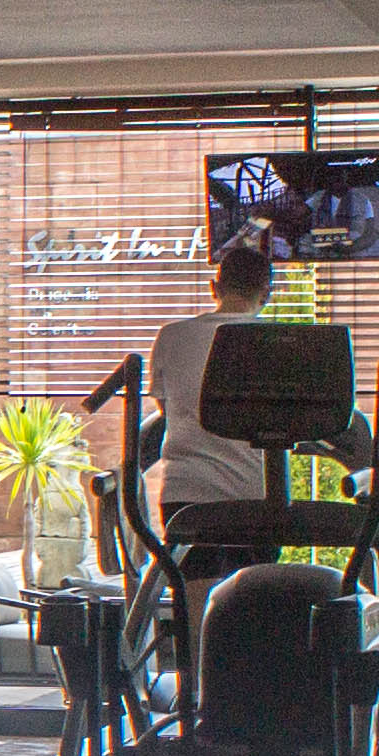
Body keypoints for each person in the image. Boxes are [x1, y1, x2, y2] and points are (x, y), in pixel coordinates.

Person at [150, 241, 280, 605]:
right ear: (267, 293)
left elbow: (167, 411)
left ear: (214, 288)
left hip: (186, 494)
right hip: (256, 498)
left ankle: (194, 645)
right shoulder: (279, 341)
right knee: (254, 599)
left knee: (195, 600)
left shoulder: (172, 336)